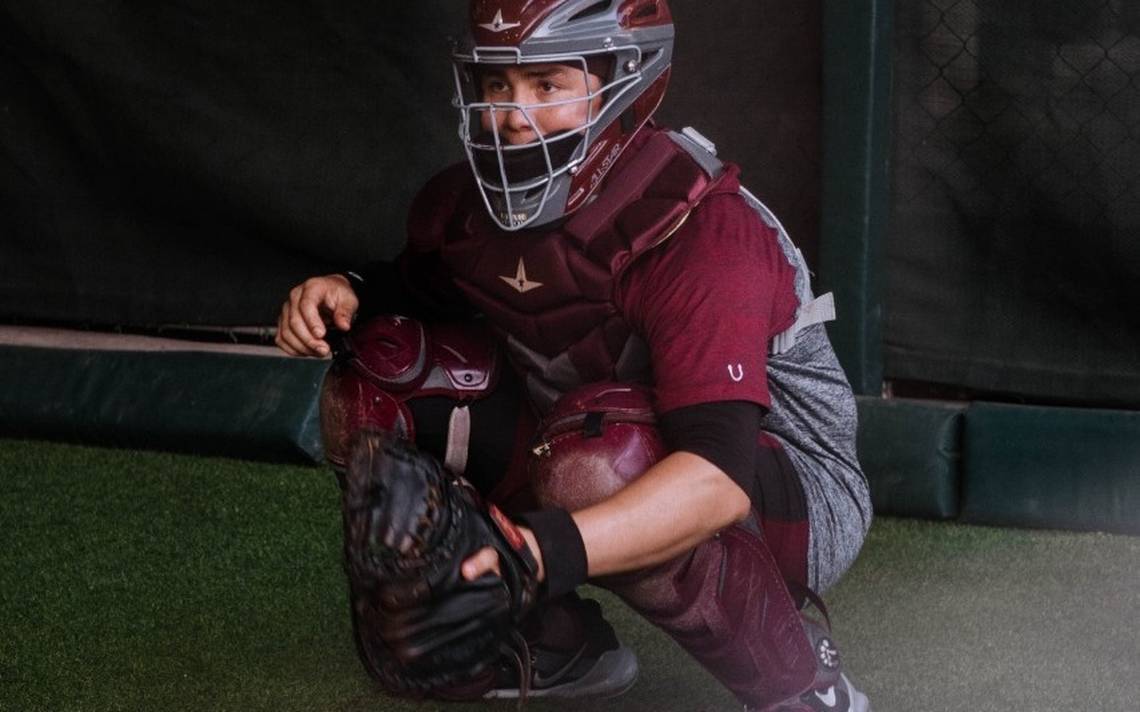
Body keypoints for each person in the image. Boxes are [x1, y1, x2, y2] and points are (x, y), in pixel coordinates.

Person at [277, 1, 873, 710]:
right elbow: (414, 289)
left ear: (625, 81)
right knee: (381, 372)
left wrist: (536, 553)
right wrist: (346, 289)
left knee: (597, 461)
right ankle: (553, 645)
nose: (511, 117)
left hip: (788, 488)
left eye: (547, 86)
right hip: (580, 432)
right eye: (498, 86)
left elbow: (718, 481)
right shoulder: (464, 211)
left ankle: (802, 682)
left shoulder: (700, 232)